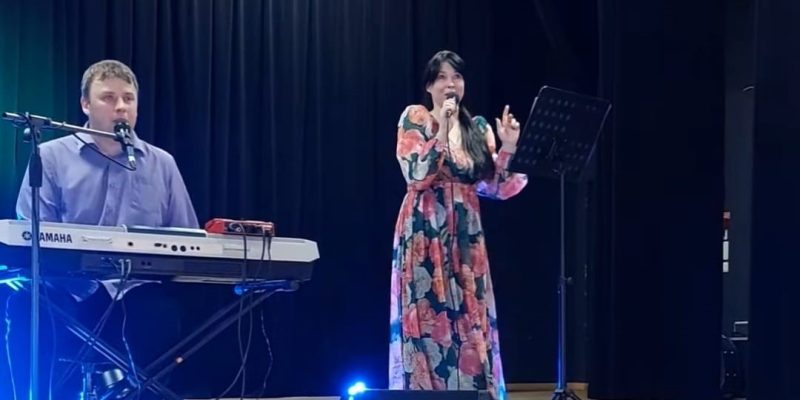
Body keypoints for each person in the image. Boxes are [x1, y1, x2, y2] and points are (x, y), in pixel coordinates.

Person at [1, 59, 199, 399]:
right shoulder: (50, 157)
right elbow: (32, 237)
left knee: (163, 314)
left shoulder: (161, 163)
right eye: (108, 97)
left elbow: (187, 238)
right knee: (25, 306)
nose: (121, 107)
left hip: (137, 294)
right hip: (68, 291)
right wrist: (80, 280)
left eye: (128, 99)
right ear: (85, 104)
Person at [388, 50, 528, 400]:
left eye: (457, 77)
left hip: (467, 234)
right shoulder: (416, 118)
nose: (450, 84)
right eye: (441, 77)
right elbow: (416, 174)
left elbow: (498, 187)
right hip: (425, 231)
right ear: (429, 86)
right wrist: (443, 127)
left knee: (471, 316)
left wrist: (509, 148)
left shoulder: (477, 128)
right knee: (428, 316)